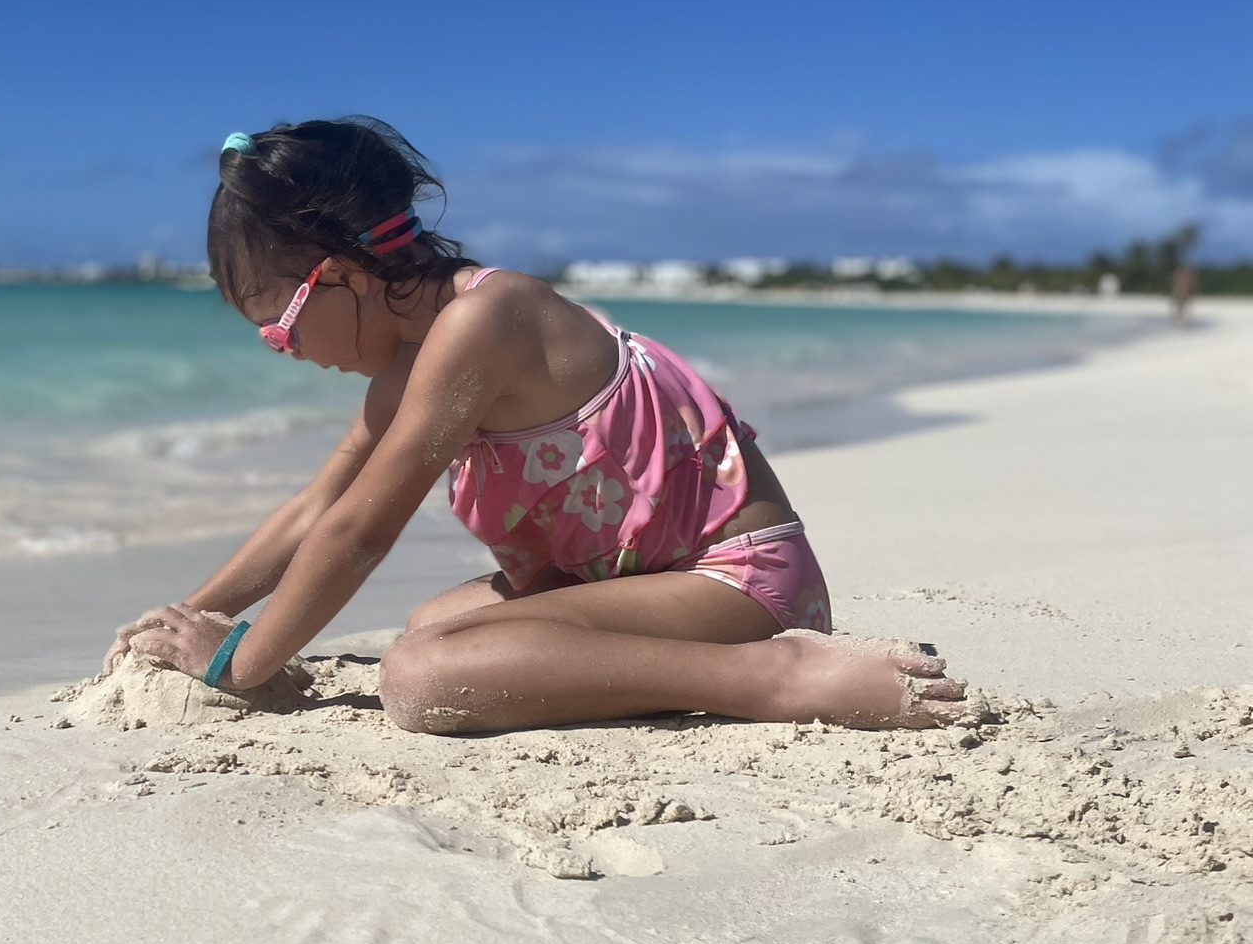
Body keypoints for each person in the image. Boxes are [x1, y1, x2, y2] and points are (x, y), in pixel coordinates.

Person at [107, 118, 967, 732]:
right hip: (642, 578)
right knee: (430, 626)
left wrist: (238, 666)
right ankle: (717, 668)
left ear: (339, 277)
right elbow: (314, 509)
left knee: (422, 675)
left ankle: (772, 676)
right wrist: (188, 615)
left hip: (738, 581)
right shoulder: (415, 363)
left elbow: (362, 529)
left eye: (278, 325)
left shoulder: (491, 319)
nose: (280, 350)